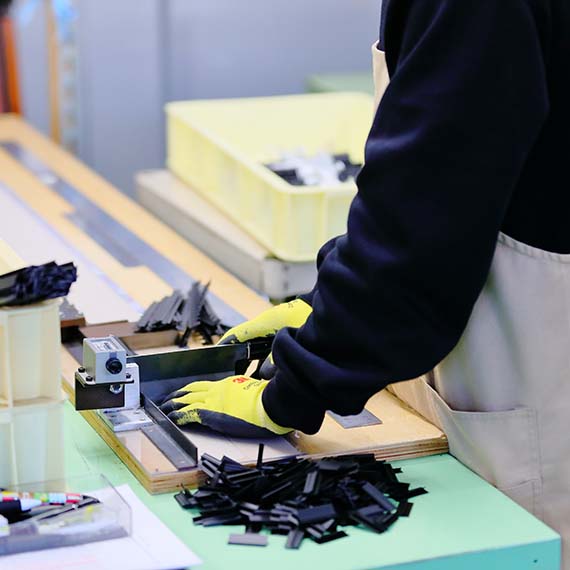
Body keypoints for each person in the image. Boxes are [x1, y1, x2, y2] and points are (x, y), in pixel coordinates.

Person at [161, 1, 570, 565]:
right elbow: (441, 176)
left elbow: (422, 221)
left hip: (543, 403)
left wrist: (297, 389)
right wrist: (327, 309)